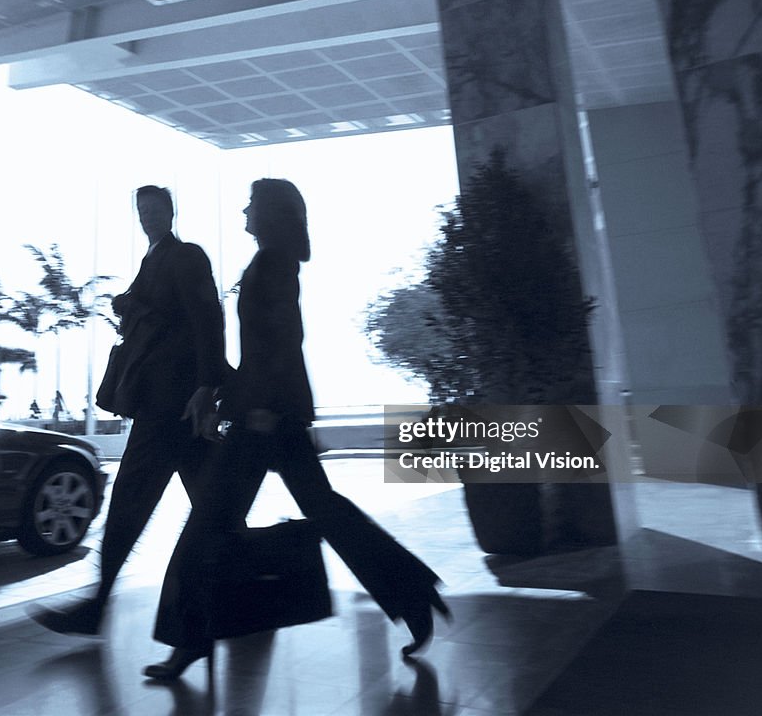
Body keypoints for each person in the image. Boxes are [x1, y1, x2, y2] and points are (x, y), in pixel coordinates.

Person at [143, 178, 449, 681]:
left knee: (205, 528)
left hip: (264, 420)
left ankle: (189, 640)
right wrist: (229, 393)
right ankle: (414, 595)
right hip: (272, 415)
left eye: (251, 205)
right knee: (326, 511)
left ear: (268, 214)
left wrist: (256, 408)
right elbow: (270, 348)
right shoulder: (273, 263)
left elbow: (284, 343)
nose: (243, 211)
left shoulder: (271, 266)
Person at [28, 185, 225, 636]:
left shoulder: (185, 256)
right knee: (214, 508)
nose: (148, 217)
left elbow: (207, 319)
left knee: (131, 502)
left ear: (172, 212)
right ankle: (254, 591)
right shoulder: (154, 260)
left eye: (155, 210)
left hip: (170, 404)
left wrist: (206, 385)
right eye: (142, 211)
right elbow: (168, 317)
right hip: (169, 402)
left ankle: (97, 606)